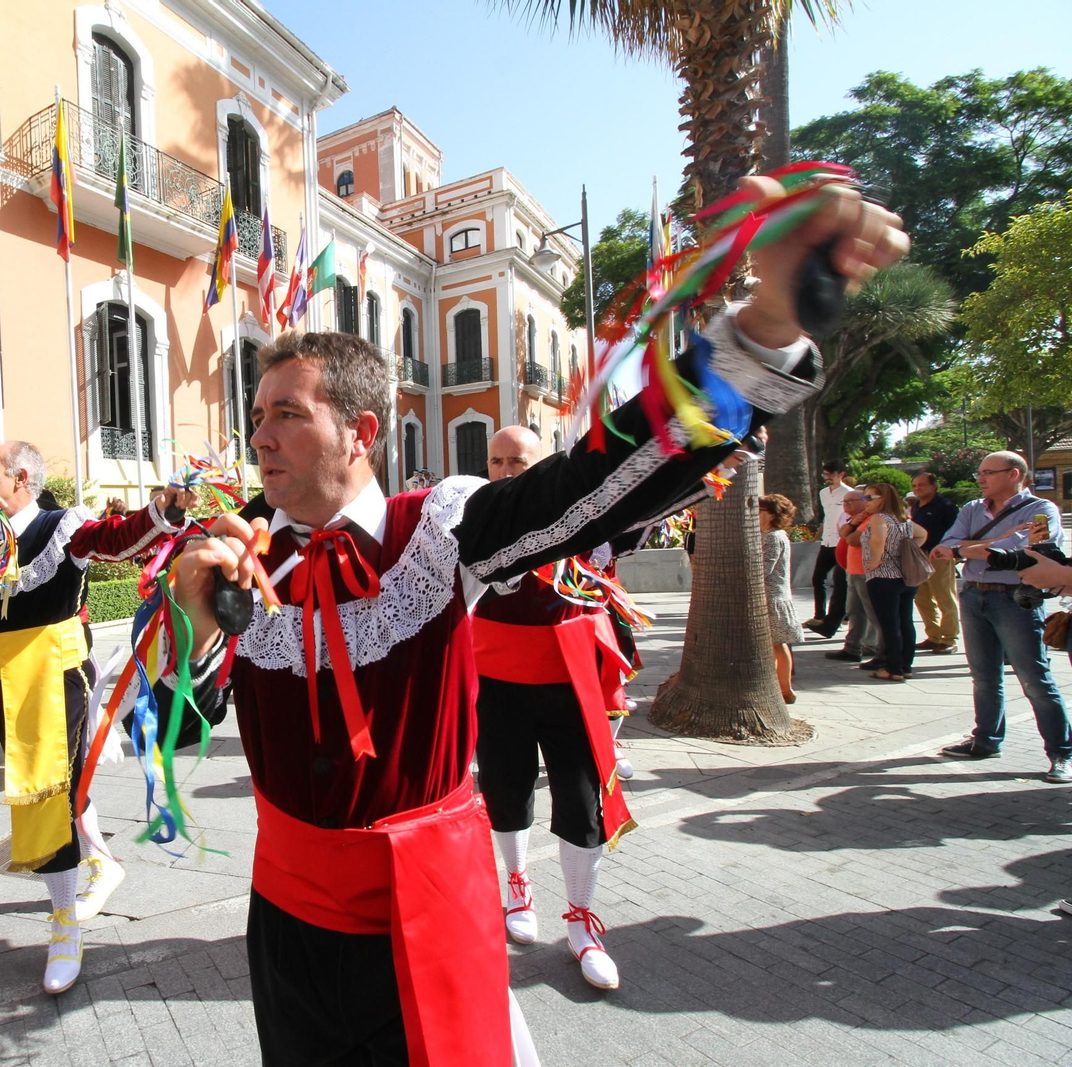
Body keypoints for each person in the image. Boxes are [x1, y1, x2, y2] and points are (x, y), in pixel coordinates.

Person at [157, 173, 907, 1064]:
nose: (262, 436)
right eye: (256, 416)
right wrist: (190, 622)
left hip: (424, 909)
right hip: (284, 922)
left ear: (361, 431)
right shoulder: (240, 558)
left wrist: (764, 330)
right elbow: (187, 716)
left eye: (288, 413)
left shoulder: (434, 530)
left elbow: (590, 482)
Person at [0, 441, 197, 994]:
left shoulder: (59, 524)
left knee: (51, 794)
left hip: (55, 679)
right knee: (52, 790)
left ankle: (65, 923)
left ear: (21, 477)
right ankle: (97, 865)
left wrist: (166, 508)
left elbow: (117, 541)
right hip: (4, 683)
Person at [471, 425, 640, 992]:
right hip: (497, 679)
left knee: (579, 798)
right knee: (504, 788)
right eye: (496, 462)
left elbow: (645, 496)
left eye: (518, 463)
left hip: (571, 681)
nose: (504, 472)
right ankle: (518, 884)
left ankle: (582, 919)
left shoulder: (590, 524)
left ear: (546, 467)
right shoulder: (473, 522)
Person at [933, 451, 1071, 781]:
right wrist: (988, 544)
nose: (979, 479)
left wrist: (965, 549)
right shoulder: (971, 509)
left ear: (1013, 474)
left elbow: (1019, 554)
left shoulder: (1040, 510)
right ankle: (986, 740)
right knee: (984, 676)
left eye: (987, 473)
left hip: (1015, 599)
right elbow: (944, 546)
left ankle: (1061, 752)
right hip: (973, 593)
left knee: (1034, 678)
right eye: (979, 472)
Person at [860, 483, 924, 681]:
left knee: (890, 624)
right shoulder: (904, 519)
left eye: (870, 498)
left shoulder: (880, 518)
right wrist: (903, 551)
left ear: (884, 498)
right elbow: (923, 534)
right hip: (904, 576)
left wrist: (876, 560)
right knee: (905, 621)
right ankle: (905, 666)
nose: (866, 502)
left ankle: (893, 668)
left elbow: (878, 540)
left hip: (882, 576)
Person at [825, 487, 885, 671]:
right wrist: (852, 524)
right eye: (845, 501)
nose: (846, 504)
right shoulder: (858, 519)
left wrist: (852, 528)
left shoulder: (875, 519)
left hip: (867, 572)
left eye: (852, 501)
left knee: (874, 614)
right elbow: (844, 533)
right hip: (853, 571)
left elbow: (852, 540)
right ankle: (853, 647)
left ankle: (880, 652)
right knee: (854, 611)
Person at [759, 494, 803, 703]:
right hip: (771, 595)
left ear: (773, 514)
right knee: (773, 645)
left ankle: (786, 689)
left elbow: (765, 568)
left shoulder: (774, 537)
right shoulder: (769, 535)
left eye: (760, 511)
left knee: (777, 644)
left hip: (772, 596)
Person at [910, 471, 960, 654]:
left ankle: (949, 638)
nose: (917, 489)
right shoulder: (916, 507)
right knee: (922, 598)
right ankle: (933, 636)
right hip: (918, 556)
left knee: (944, 597)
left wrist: (953, 552)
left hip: (939, 556)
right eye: (914, 486)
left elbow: (957, 531)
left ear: (934, 486)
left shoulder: (946, 506)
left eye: (921, 485)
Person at [804, 460, 850, 636]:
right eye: (826, 474)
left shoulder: (849, 493)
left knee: (841, 583)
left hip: (841, 542)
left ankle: (842, 616)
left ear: (841, 474)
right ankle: (819, 615)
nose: (828, 477)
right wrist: (817, 536)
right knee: (818, 578)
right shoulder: (824, 493)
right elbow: (827, 517)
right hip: (827, 541)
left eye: (831, 474)